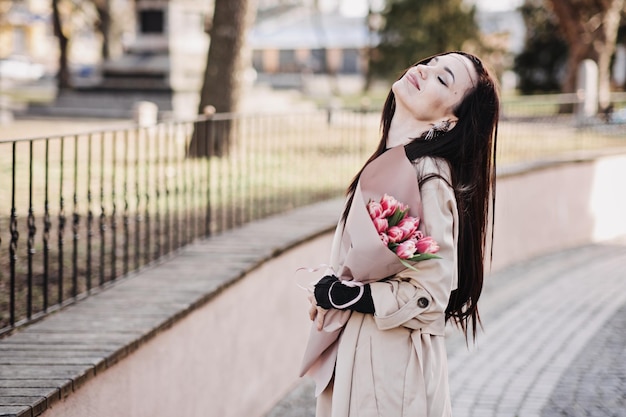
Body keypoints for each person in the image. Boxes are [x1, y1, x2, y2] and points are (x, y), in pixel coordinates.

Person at [301, 51, 500, 417]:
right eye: (432, 62)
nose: (424, 70)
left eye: (443, 78)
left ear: (450, 121)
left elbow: (430, 295)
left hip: (389, 377)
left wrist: (352, 296)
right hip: (362, 360)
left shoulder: (429, 178)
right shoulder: (396, 160)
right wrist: (332, 290)